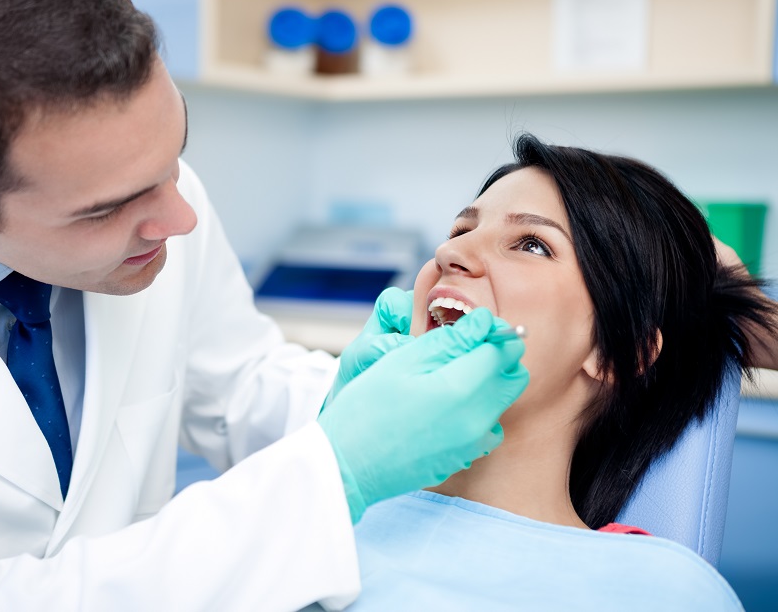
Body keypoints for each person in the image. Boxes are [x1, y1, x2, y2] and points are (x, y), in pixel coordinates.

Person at [0, 0, 530, 610]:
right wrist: (338, 467)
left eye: (174, 160)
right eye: (110, 209)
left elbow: (234, 387)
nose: (180, 218)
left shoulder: (146, 192)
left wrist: (351, 401)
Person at [301, 134, 778, 610]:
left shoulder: (658, 590)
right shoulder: (310, 517)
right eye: (459, 232)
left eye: (531, 244)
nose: (451, 254)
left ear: (622, 352)